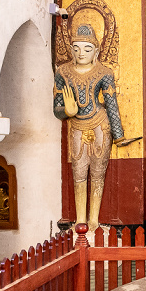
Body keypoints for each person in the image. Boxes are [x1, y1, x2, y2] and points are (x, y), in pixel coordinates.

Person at [53, 24, 129, 231]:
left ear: (96, 51)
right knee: (78, 171)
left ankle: (93, 219)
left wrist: (119, 135)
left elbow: (111, 103)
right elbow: (56, 109)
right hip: (76, 125)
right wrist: (66, 111)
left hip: (100, 124)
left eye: (87, 49)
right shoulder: (63, 72)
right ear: (71, 50)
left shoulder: (104, 72)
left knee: (97, 172)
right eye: (76, 49)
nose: (81, 53)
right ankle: (80, 219)